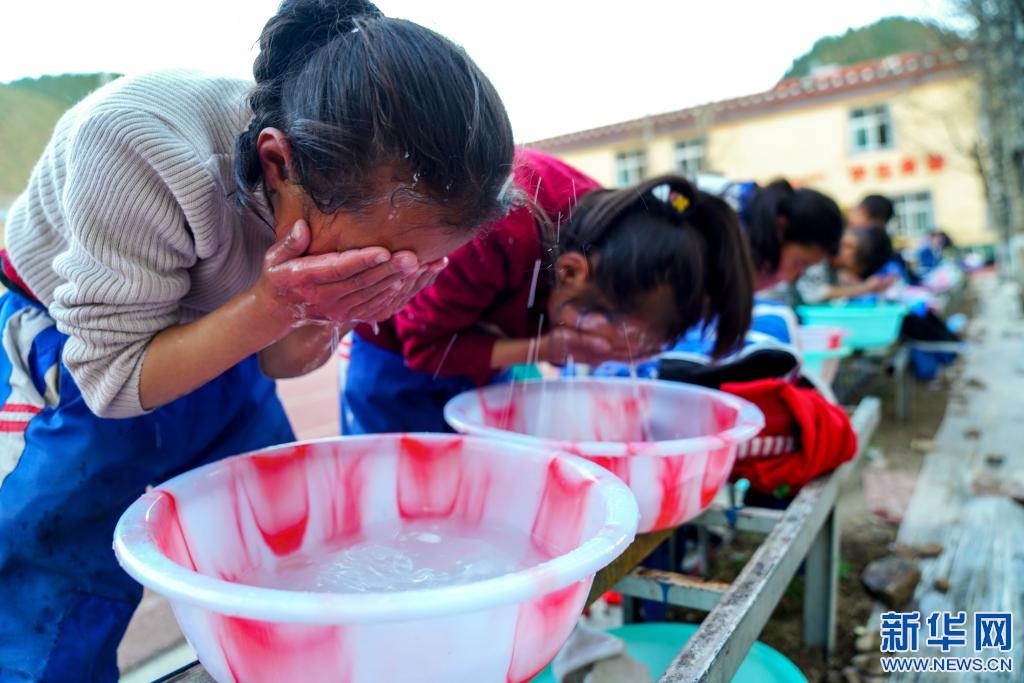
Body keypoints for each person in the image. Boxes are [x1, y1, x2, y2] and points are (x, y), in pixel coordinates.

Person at [0, 1, 515, 679]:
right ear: (276, 164)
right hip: (82, 336)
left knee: (284, 527)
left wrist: (321, 313)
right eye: (369, 261)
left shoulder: (340, 212)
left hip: (234, 313)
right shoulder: (142, 145)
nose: (388, 279)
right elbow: (112, 380)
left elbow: (275, 357)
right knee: (60, 564)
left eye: (410, 270)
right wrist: (276, 304)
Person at [341, 152, 756, 434]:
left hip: (483, 345)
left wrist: (552, 344)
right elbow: (426, 349)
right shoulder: (496, 226)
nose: (602, 353)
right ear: (571, 272)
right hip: (394, 359)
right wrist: (547, 347)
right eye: (605, 338)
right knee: (401, 500)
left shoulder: (619, 238)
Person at [738, 180, 844, 291]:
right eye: (798, 263)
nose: (791, 278)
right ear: (780, 228)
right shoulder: (731, 239)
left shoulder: (763, 259)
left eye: (804, 269)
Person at [795, 225, 899, 304]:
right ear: (852, 246)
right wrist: (864, 288)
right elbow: (812, 294)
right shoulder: (817, 255)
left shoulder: (832, 266)